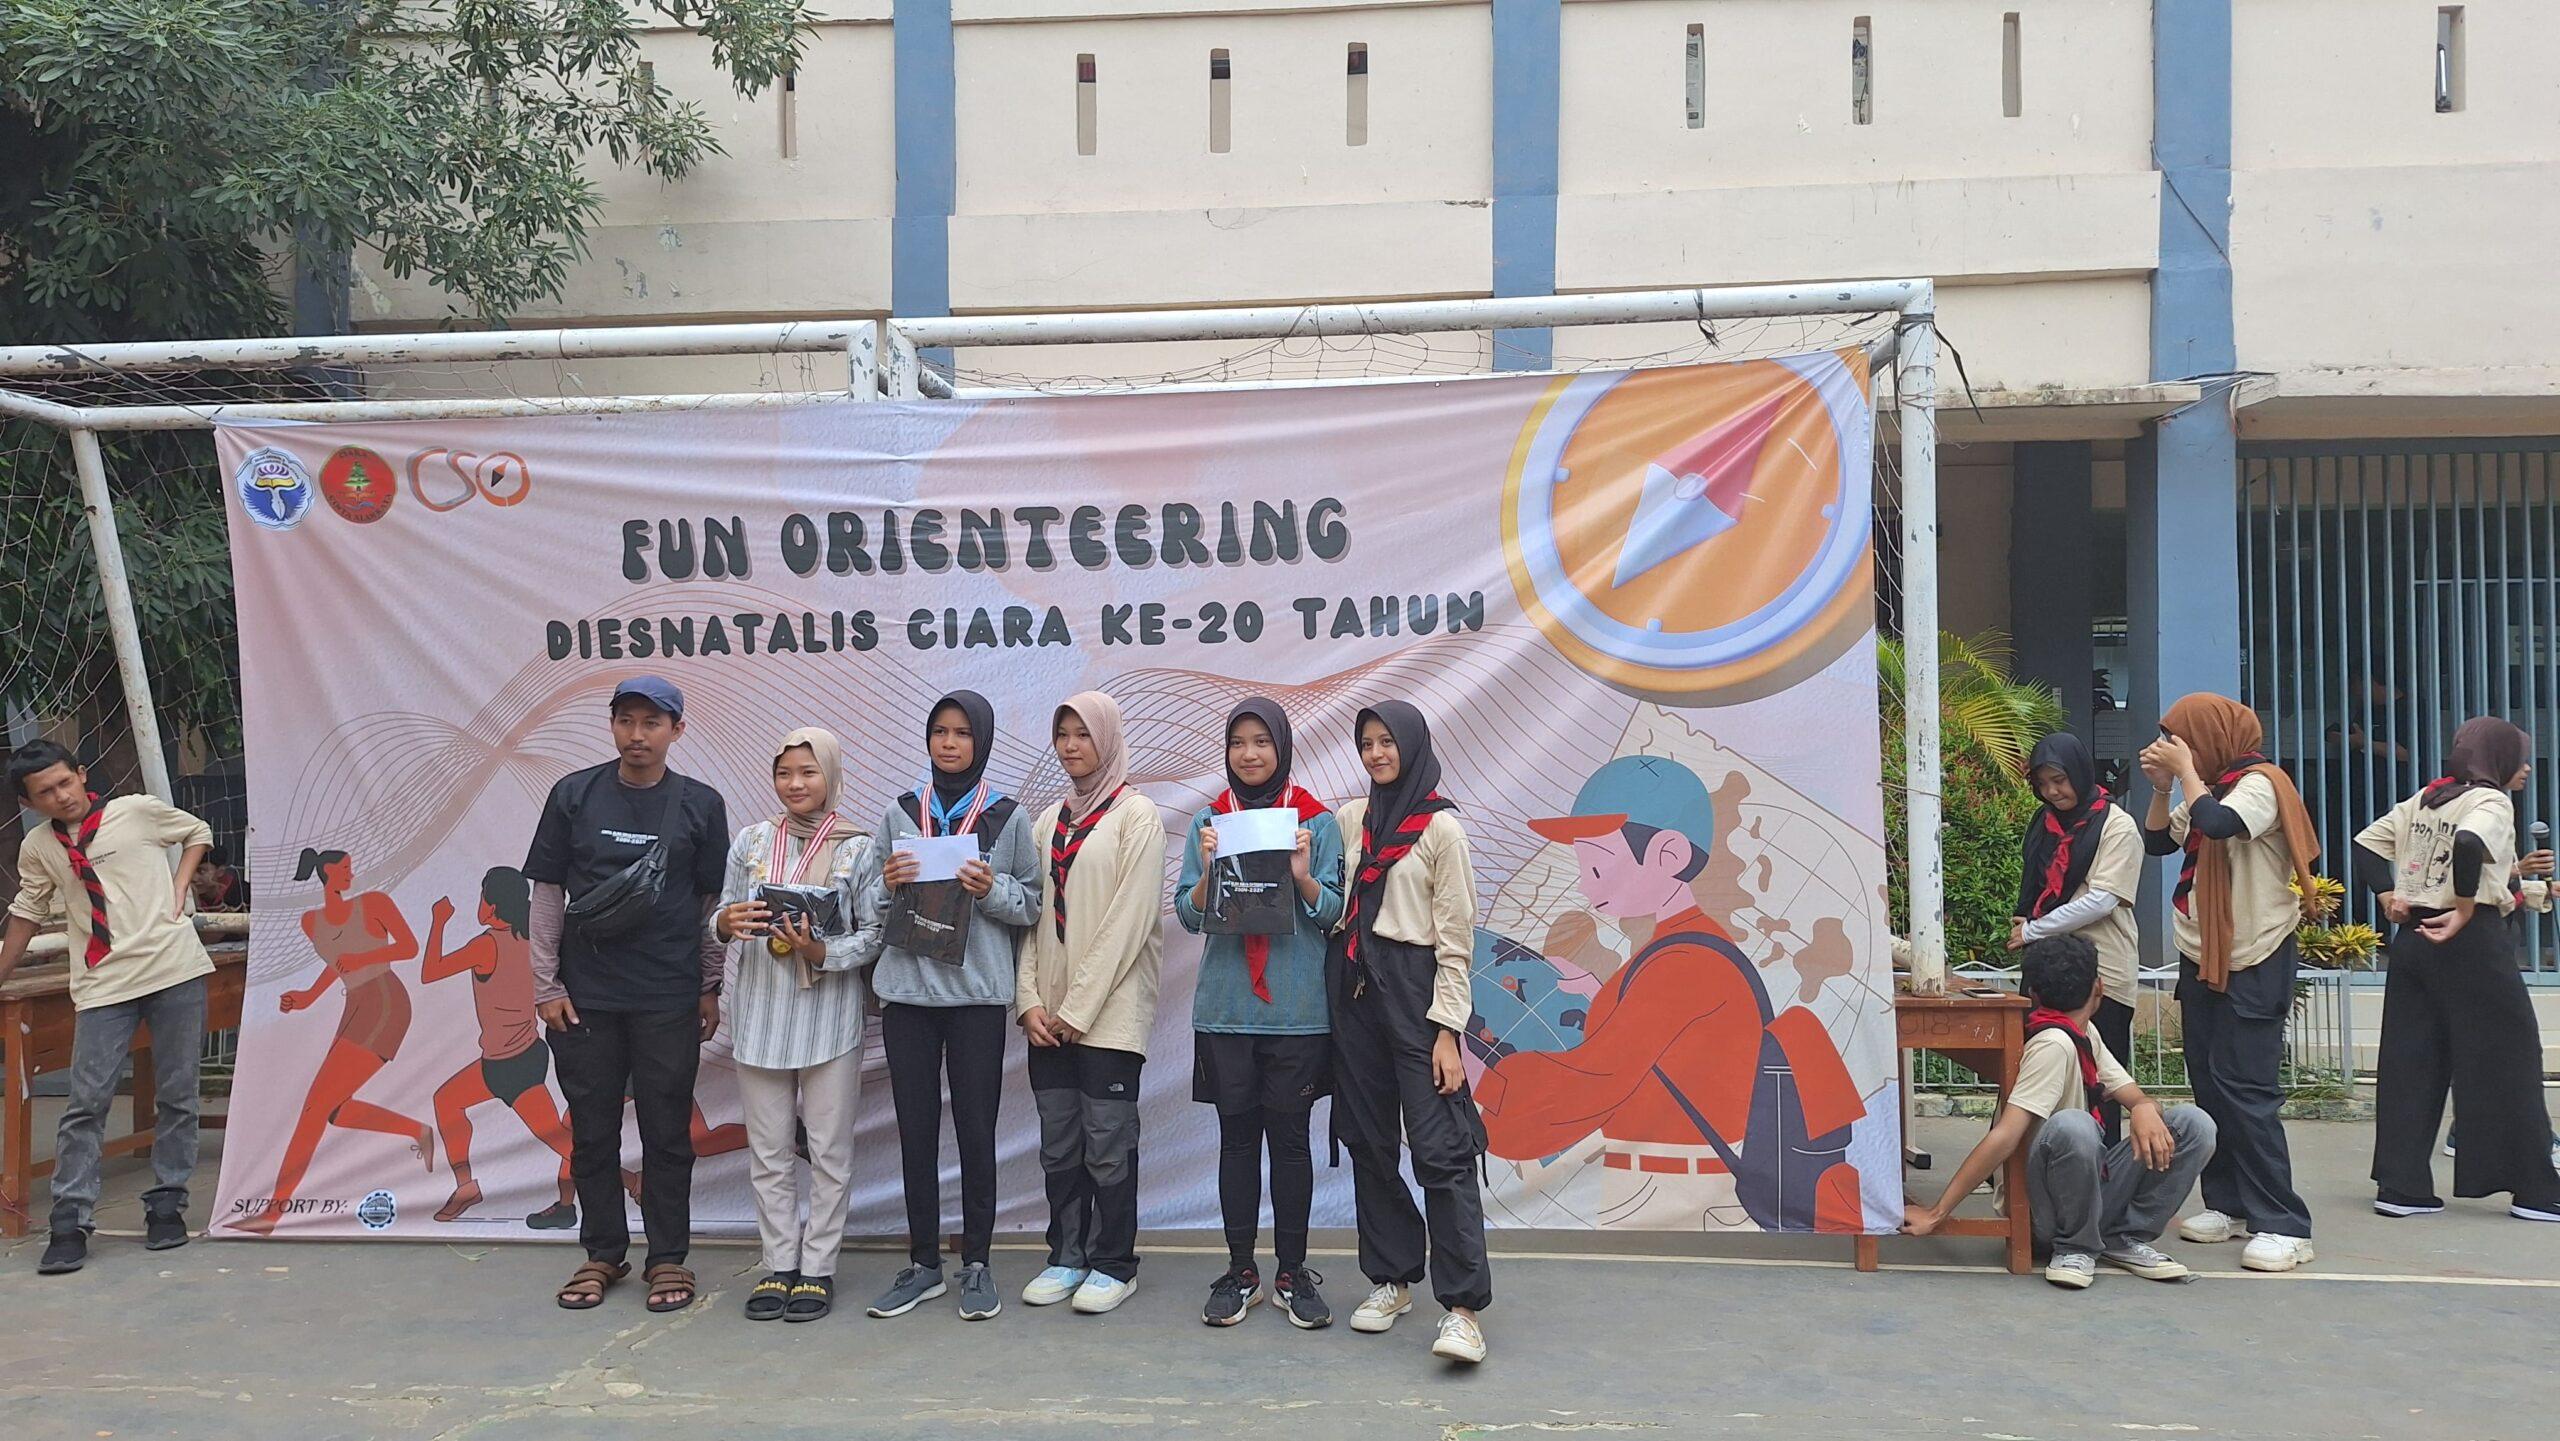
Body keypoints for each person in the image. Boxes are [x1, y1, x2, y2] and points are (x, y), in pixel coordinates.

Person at [1479, 754, 1865, 1234]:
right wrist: (1601, 994)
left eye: (1597, 867)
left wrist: (1483, 1084)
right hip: (1668, 1184)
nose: (1586, 886)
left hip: (1674, 1190)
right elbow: (1664, 1048)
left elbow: (1592, 1081)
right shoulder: (1680, 948)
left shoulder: (1684, 963)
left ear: (1669, 856)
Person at [524, 676, 730, 1314]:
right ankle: (602, 1253)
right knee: (592, 1130)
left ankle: (668, 1257)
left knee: (668, 1131)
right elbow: (547, 894)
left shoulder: (700, 805)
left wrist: (708, 984)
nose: (637, 735)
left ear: (677, 730)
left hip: (668, 992)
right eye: (626, 721)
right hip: (585, 996)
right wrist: (546, 985)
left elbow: (709, 905)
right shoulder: (574, 795)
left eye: (652, 723)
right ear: (612, 725)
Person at [859, 691, 1039, 1324]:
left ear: (981, 741)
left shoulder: (1007, 817)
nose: (950, 743)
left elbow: (1032, 905)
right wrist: (886, 885)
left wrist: (993, 889)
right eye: (940, 731)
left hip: (976, 999)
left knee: (975, 1131)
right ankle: (924, 1264)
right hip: (908, 997)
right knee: (916, 1132)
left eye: (962, 733)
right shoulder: (901, 813)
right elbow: (869, 906)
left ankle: (978, 1262)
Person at [1, 742, 214, 1275]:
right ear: (29, 802)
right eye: (45, 792)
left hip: (172, 968)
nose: (60, 796)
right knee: (86, 1102)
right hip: (103, 982)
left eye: (64, 782)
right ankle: (69, 1221)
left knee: (177, 1094)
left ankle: (167, 1204)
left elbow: (196, 831)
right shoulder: (39, 846)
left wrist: (179, 887)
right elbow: (27, 911)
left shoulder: (134, 811)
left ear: (81, 774)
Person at [1901, 935, 2218, 1290]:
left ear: (2033, 994)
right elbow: (2005, 1135)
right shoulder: (2053, 1044)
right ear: (2100, 987)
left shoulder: (2084, 1033)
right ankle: (2075, 1248)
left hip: (2088, 1192)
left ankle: (2121, 1237)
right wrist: (1937, 1212)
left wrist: (2144, 1108)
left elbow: (2133, 1095)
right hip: (2043, 1213)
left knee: (2194, 1124)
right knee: (2073, 1126)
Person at [1172, 698, 1344, 1329]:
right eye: (1238, 742)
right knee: (1237, 1143)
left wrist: (1302, 875)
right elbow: (1187, 915)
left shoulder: (1316, 823)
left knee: (1292, 1145)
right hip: (1226, 1012)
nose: (1249, 754)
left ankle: (1293, 1273)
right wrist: (1207, 873)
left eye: (1261, 742)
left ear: (1283, 748)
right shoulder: (1209, 823)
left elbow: (1335, 913)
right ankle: (1240, 1270)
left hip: (1298, 1015)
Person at [1329, 702, 1492, 1365]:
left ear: (1413, 746)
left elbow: (1456, 939)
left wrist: (1448, 1030)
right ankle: (1391, 1278)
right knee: (1369, 1142)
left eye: (1386, 741)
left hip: (1417, 994)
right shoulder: (1352, 820)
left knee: (1442, 1151)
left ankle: (1463, 1310)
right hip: (1355, 994)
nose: (1376, 753)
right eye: (1367, 743)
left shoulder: (1441, 828)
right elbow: (1332, 904)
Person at [2139, 694, 2322, 1273]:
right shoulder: (2209, 787)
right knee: (2210, 1086)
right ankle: (2229, 1204)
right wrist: (2163, 788)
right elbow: (2158, 843)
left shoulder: (2260, 784)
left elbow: (2218, 826)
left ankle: (2285, 1224)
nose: (2172, 747)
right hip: (2202, 953)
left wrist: (2185, 775)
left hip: (2255, 955)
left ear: (2211, 739)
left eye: (2180, 738)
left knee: (2247, 1090)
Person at [2353, 717, 2560, 1223]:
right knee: (2508, 1058)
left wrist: (2387, 894)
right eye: (2519, 757)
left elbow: (2365, 844)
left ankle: (2400, 1186)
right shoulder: (2490, 801)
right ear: (2498, 760)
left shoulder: (2429, 797)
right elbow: (2468, 844)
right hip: (2471, 941)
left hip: (2414, 940)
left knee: (2411, 1062)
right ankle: (2534, 1192)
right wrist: (2465, 907)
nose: (2527, 767)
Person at [710, 727, 877, 1321]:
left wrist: (820, 951)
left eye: (808, 772)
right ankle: (779, 1264)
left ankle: (819, 1268)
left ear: (831, 775)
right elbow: (721, 914)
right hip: (760, 1015)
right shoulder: (752, 840)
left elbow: (875, 934)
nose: (795, 784)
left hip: (829, 1017)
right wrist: (726, 923)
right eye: (785, 773)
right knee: (769, 1152)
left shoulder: (859, 848)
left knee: (829, 1152)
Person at [1016, 691, 1164, 1316]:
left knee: (1108, 1142)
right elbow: (1030, 920)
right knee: (1060, 1143)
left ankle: (1113, 1263)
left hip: (1108, 1016)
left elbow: (1128, 922)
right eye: (1063, 734)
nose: (1072, 746)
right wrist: (1028, 1001)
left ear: (1108, 739)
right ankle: (1066, 1256)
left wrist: (1077, 1009)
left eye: (1084, 734)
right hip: (1048, 1020)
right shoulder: (1049, 820)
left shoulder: (1137, 816)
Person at [233, 845, 435, 1235]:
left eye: (350, 867)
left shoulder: (373, 903)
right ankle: (418, 1130)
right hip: (355, 1004)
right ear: (327, 873)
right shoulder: (312, 921)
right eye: (343, 869)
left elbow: (408, 947)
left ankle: (275, 1212)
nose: (349, 874)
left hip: (385, 1002)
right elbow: (336, 965)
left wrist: (363, 958)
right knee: (334, 1109)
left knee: (314, 1107)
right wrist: (308, 996)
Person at [422, 866, 577, 1229]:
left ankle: (630, 1181)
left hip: (512, 1063)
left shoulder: (487, 945)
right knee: (447, 1100)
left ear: (491, 906)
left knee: (562, 1142)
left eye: (481, 897)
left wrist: (439, 921)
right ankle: (466, 1188)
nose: (479, 904)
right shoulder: (533, 939)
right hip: (512, 1056)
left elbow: (431, 971)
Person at [2010, 732, 2146, 1144]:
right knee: (2036, 1077)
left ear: (2080, 773)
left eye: (2060, 780)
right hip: (2049, 969)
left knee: (2101, 1082)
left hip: (2101, 973)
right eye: (2043, 783)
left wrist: (2032, 929)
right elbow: (2033, 881)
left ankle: (2103, 1170)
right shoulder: (2044, 822)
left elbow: (2101, 900)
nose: (2052, 792)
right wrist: (2025, 918)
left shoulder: (2116, 825)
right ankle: (2032, 1171)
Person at [189, 845, 250, 913]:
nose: (193, 878)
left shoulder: (245, 894)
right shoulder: (188, 896)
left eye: (201, 871)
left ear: (220, 872)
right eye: (190, 872)